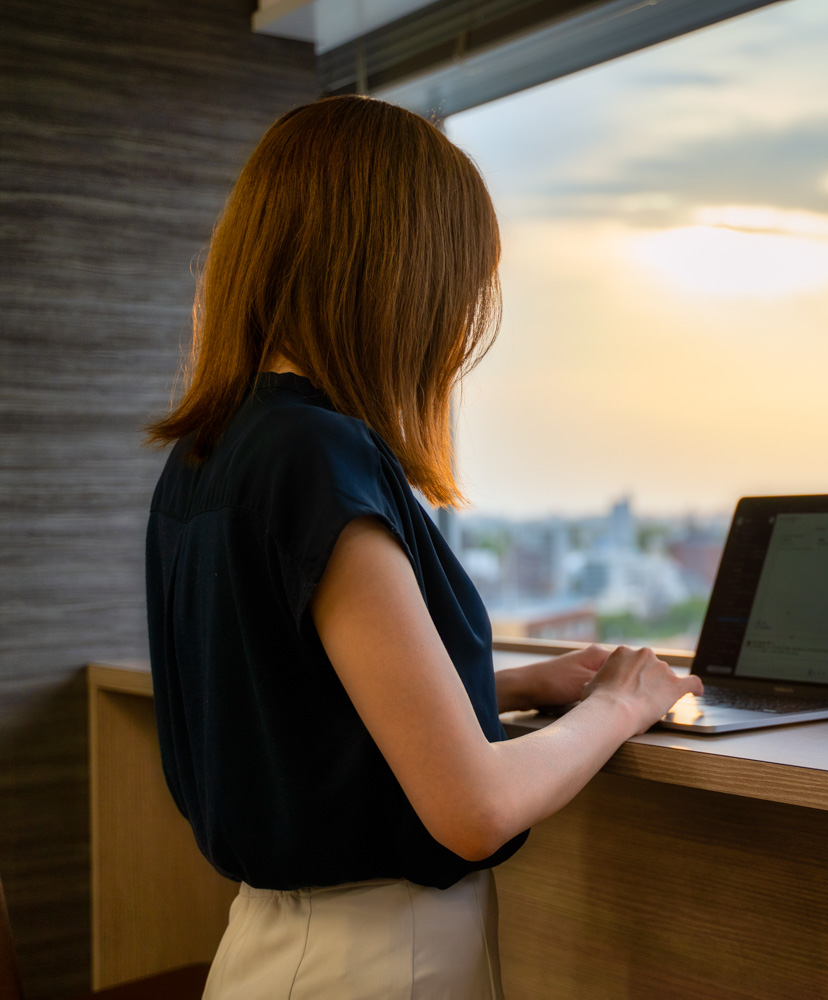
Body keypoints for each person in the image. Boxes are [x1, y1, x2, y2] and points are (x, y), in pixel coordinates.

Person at [144, 94, 701, 998]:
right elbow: (474, 808)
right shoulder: (318, 455)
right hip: (373, 962)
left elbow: (291, 700)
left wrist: (512, 684)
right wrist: (621, 704)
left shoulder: (215, 449)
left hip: (272, 952)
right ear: (399, 277)